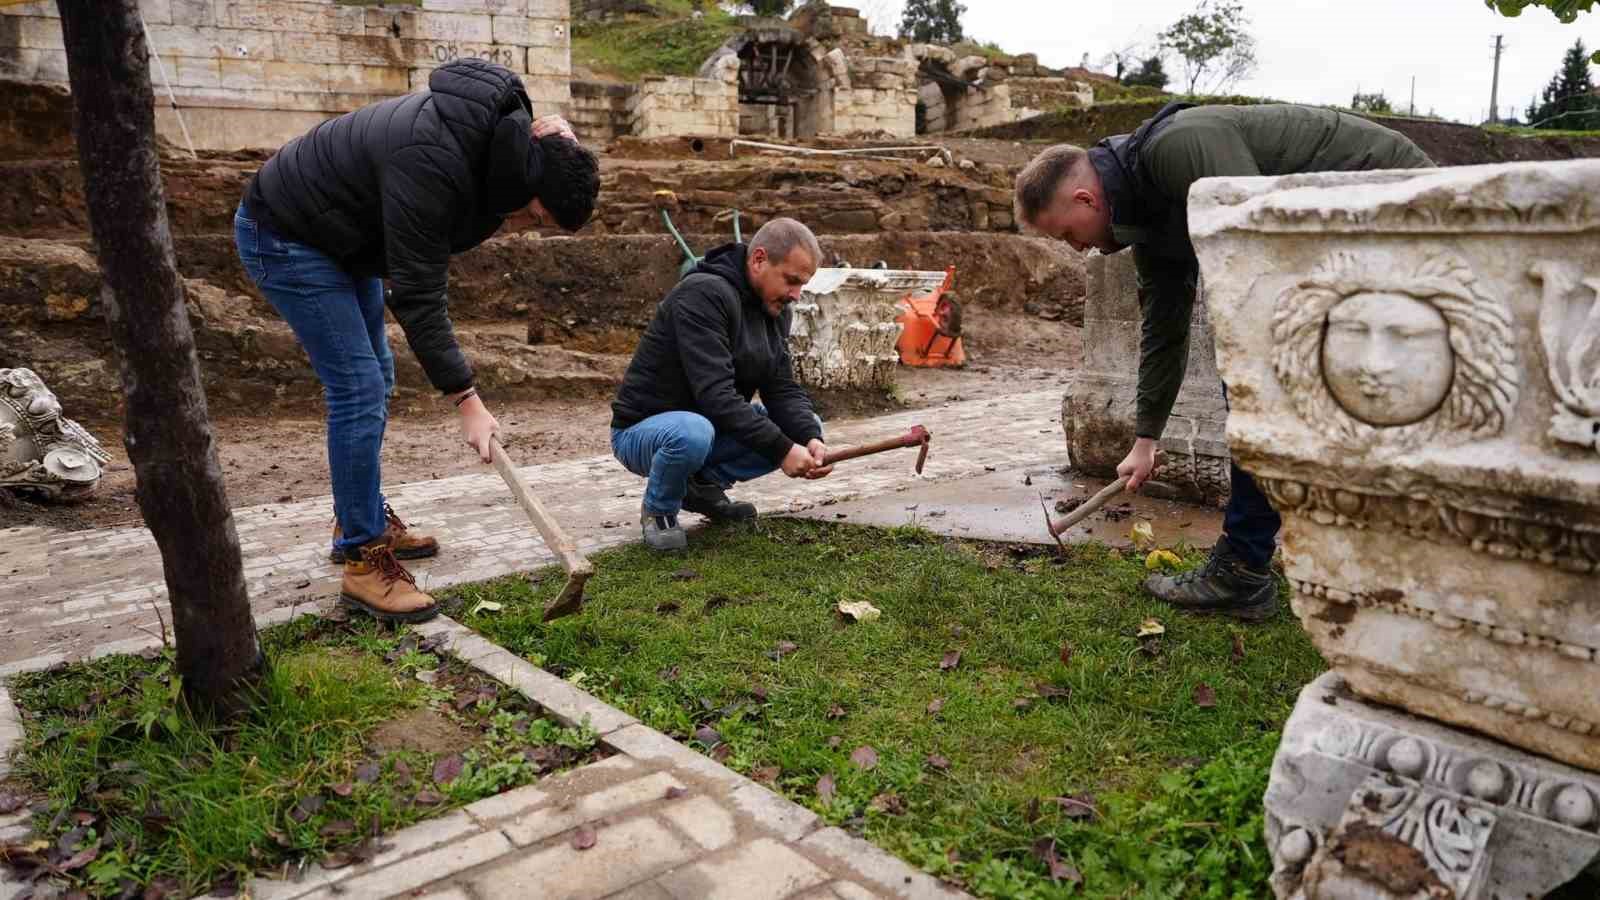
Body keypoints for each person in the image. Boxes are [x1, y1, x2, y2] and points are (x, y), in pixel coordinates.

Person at [1013, 102, 1433, 621]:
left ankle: (1246, 569)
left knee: (1265, 385)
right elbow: (1164, 329)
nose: (1077, 249)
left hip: (1388, 196)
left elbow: (1255, 241)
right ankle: (1273, 563)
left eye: (1067, 234)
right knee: (1269, 388)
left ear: (1084, 198)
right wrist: (1146, 440)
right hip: (1338, 233)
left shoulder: (1178, 147)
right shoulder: (1150, 214)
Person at [233, 59, 600, 622]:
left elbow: (543, 134)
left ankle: (358, 516)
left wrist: (564, 152)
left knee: (375, 374)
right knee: (356, 386)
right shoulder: (434, 164)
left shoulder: (511, 141)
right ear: (527, 181)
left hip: (343, 232)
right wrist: (467, 403)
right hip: (287, 232)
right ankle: (364, 564)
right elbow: (419, 298)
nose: (528, 223)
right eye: (536, 213)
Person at [610, 217, 832, 551]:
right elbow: (716, 396)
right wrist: (782, 449)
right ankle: (659, 510)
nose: (797, 295)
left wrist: (808, 438)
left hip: (710, 427)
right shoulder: (703, 294)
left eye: (803, 284)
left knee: (804, 425)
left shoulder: (775, 310)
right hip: (644, 432)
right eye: (791, 281)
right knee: (692, 432)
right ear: (758, 260)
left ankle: (699, 487)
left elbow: (781, 389)